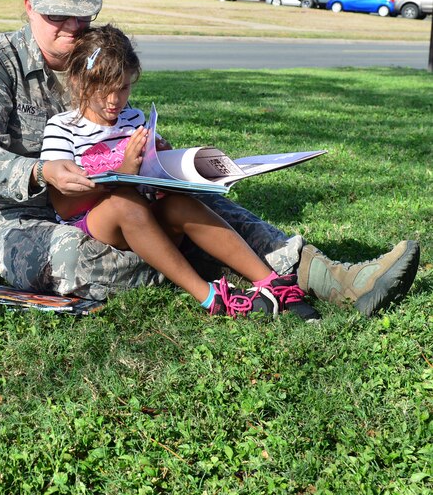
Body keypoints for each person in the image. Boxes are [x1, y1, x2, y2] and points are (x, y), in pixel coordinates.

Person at [0, 0, 419, 314]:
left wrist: (160, 159)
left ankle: (332, 278)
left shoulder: (99, 55)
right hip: (19, 217)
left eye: (83, 14)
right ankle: (208, 271)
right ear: (29, 4)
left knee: (204, 208)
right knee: (89, 262)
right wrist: (42, 172)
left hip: (125, 205)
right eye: (58, 15)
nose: (72, 28)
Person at [40, 24, 317, 320]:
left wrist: (160, 162)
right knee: (124, 203)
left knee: (178, 203)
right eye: (103, 90)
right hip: (93, 223)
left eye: (123, 88)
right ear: (77, 82)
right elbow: (64, 204)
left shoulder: (133, 118)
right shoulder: (62, 128)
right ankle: (210, 297)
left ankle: (272, 283)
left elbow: (147, 186)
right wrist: (123, 172)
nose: (114, 100)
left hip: (145, 220)